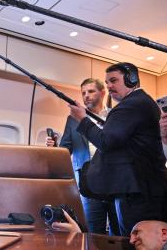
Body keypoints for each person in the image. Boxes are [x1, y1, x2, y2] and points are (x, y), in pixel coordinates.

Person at [68, 62, 167, 236]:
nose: (109, 86)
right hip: (143, 189)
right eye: (107, 82)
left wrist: (82, 119)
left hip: (139, 193)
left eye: (114, 80)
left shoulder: (132, 105)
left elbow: (106, 141)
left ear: (132, 80)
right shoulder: (140, 103)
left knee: (135, 241)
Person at [46, 78, 119, 235]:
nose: (86, 96)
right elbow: (66, 150)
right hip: (88, 182)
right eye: (83, 93)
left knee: (119, 232)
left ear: (103, 92)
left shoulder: (115, 115)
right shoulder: (73, 119)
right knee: (92, 233)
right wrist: (54, 148)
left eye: (91, 91)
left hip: (115, 180)